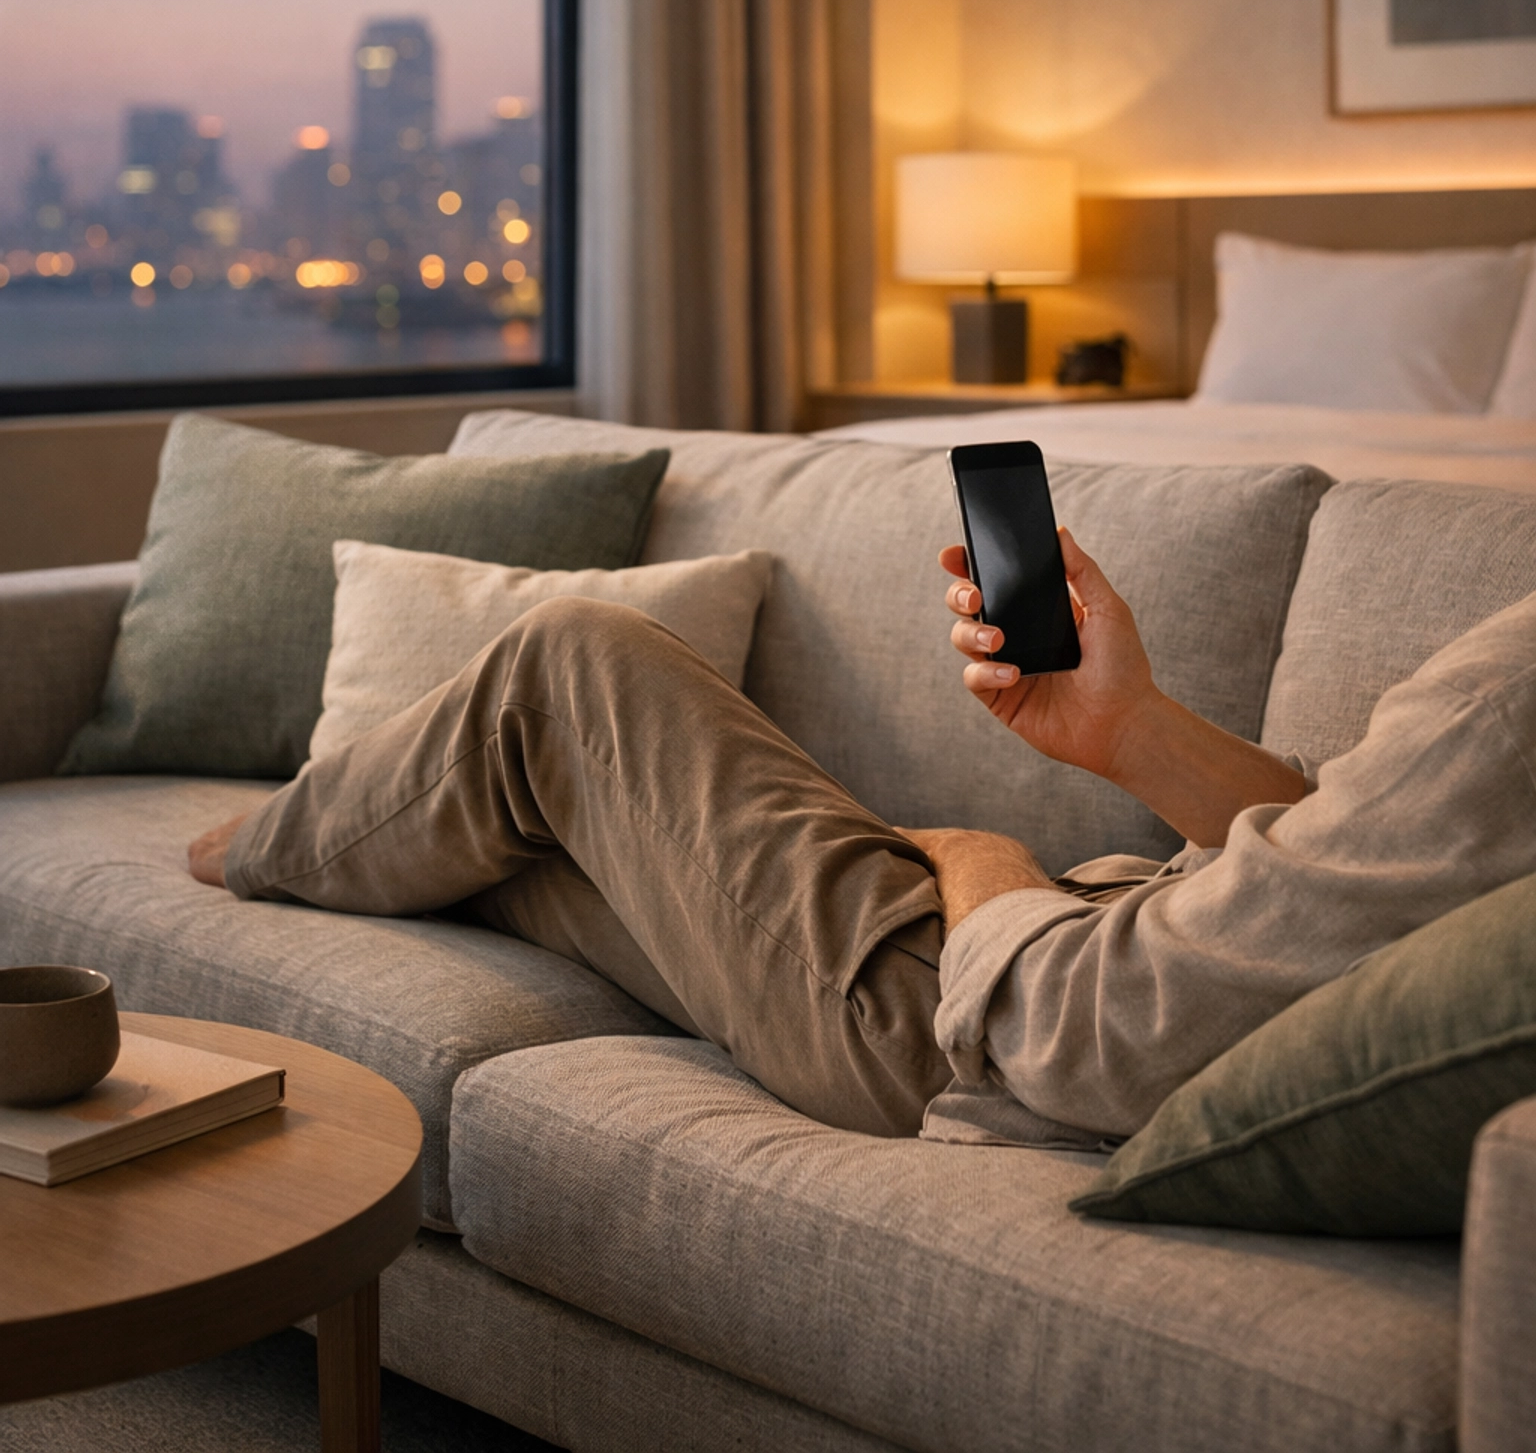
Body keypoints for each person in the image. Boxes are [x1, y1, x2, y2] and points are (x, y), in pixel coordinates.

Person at [189, 528, 1536, 1146]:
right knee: (555, 829)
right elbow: (1336, 857)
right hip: (1046, 946)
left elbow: (1083, 1024)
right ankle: (371, 837)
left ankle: (277, 842)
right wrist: (1125, 733)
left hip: (970, 1019)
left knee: (573, 658)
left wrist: (981, 857)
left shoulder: (1515, 704)